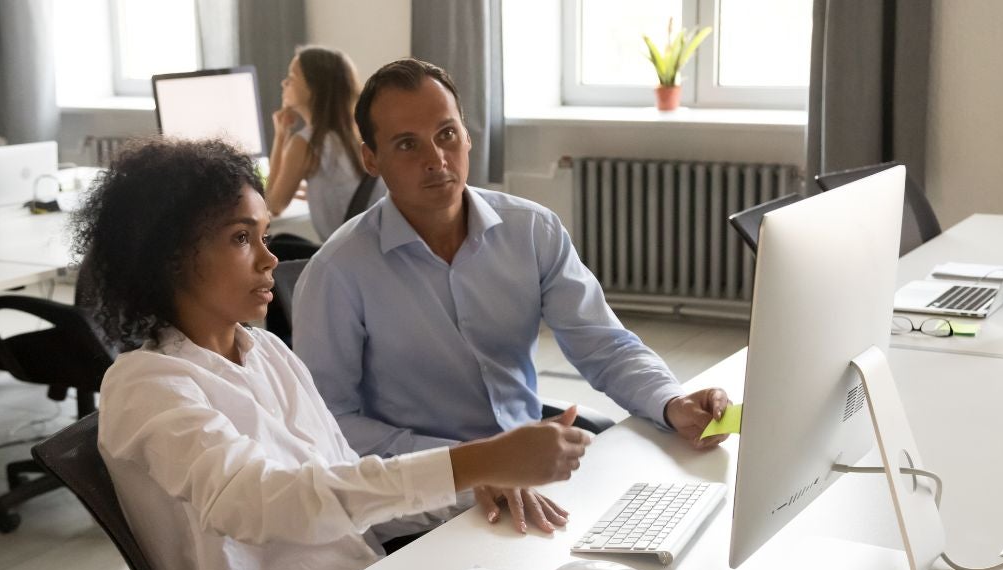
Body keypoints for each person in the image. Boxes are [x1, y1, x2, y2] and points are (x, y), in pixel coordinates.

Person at [70, 137, 590, 570]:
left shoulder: (265, 351)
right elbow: (262, 503)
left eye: (264, 235)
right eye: (240, 238)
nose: (270, 258)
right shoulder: (147, 385)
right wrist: (476, 461)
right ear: (168, 257)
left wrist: (475, 485)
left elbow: (345, 490)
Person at [292, 59, 732, 534]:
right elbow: (331, 423)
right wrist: (470, 465)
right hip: (422, 499)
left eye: (446, 134)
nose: (436, 159)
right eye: (407, 144)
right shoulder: (338, 272)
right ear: (371, 159)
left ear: (467, 135)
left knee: (665, 528)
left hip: (535, 472)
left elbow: (603, 344)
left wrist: (671, 402)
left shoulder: (531, 230)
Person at [265, 45, 385, 240]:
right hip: (368, 246)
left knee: (279, 242)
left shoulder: (307, 143)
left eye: (292, 77)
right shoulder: (357, 133)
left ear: (314, 88)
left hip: (343, 253)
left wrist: (280, 135)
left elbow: (273, 206)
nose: (284, 82)